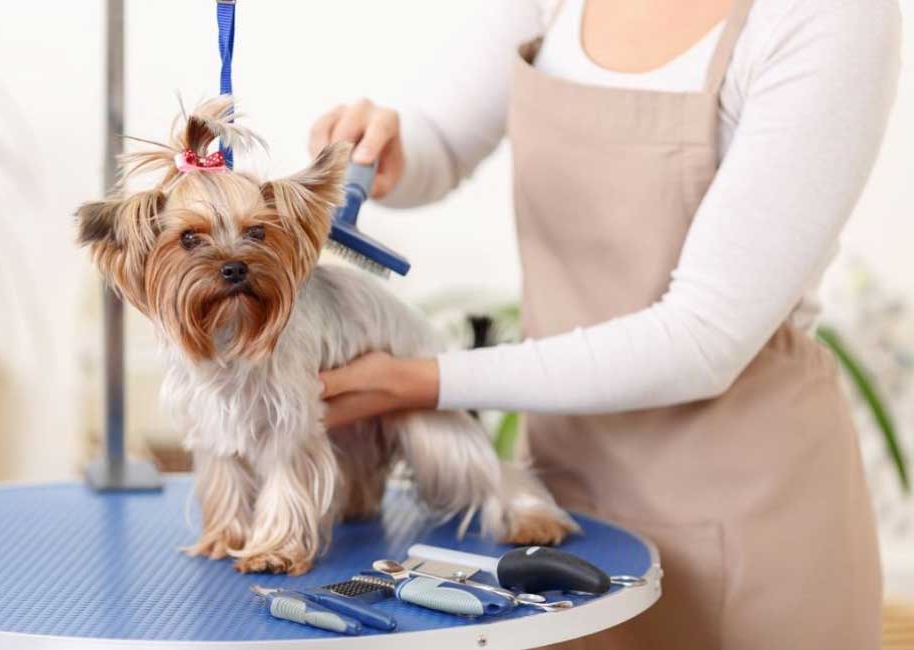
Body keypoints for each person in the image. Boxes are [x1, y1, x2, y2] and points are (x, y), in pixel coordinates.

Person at [310, 0, 901, 647]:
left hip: (750, 521)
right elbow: (442, 143)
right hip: (565, 507)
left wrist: (422, 382)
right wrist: (387, 148)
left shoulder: (830, 16)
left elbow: (702, 338)